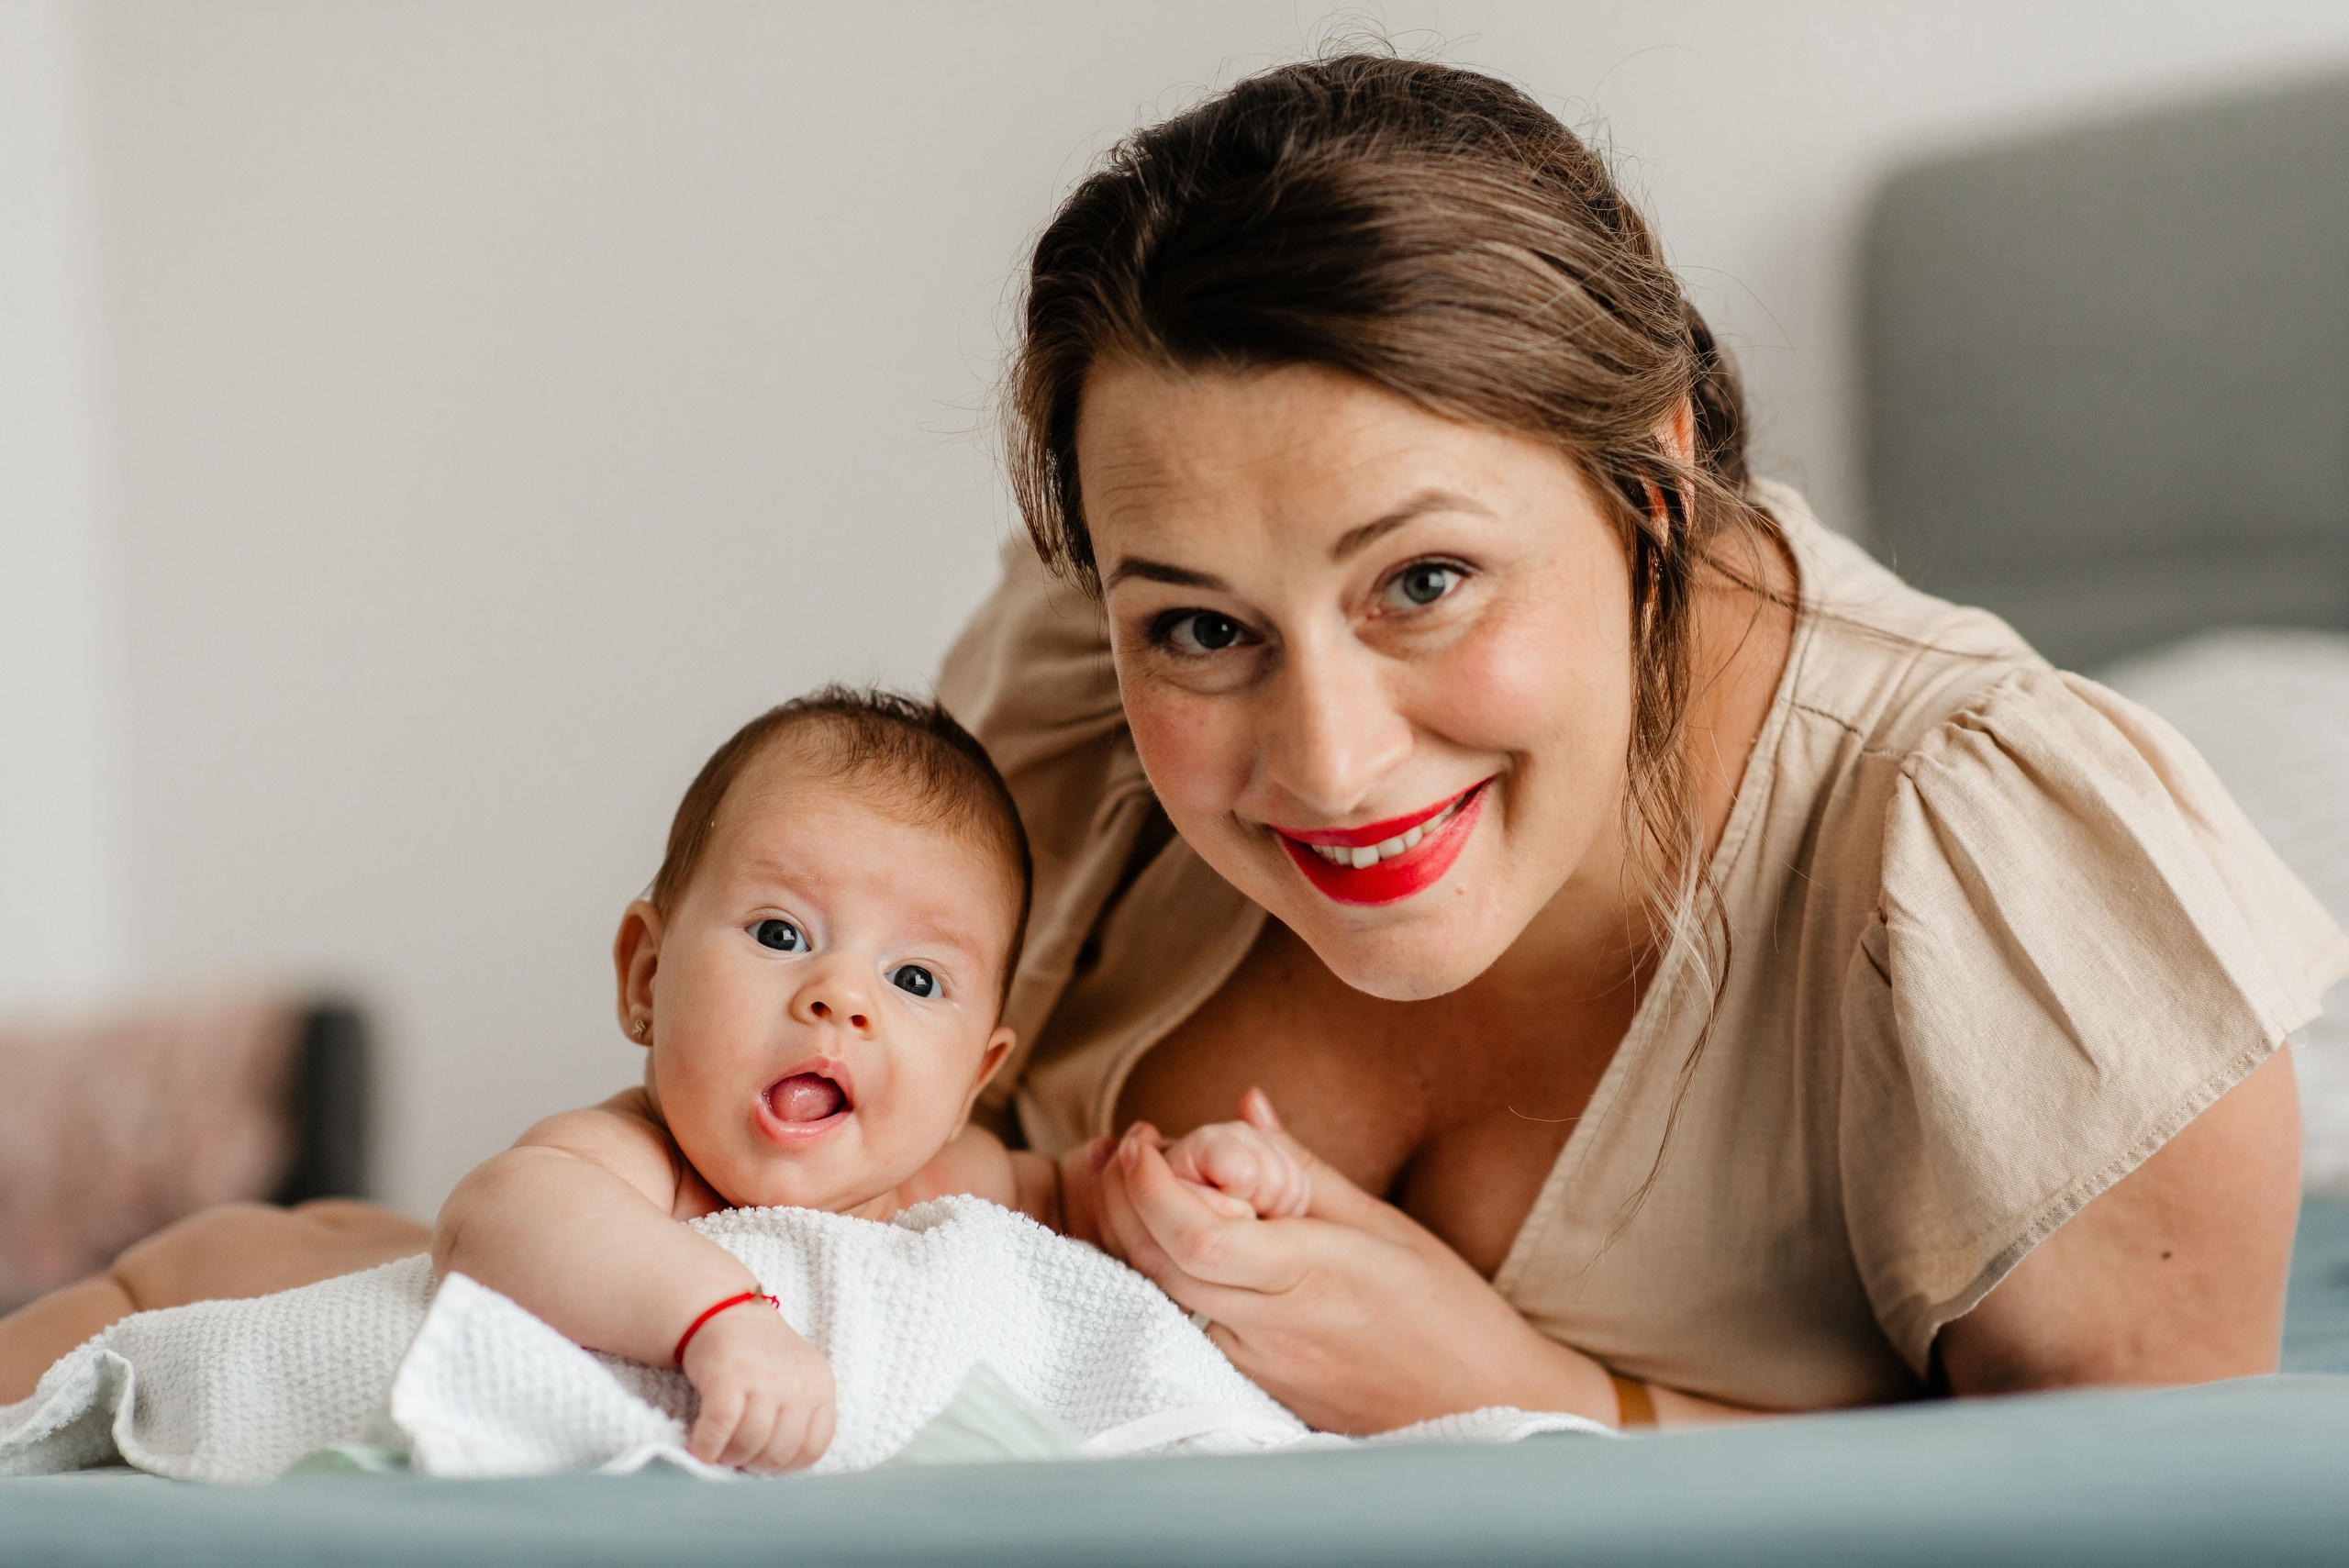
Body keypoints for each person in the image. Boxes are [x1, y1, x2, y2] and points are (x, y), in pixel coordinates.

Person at [932, 52, 2349, 1432]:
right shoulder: (1084, 656)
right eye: (1203, 632)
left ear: (1653, 485)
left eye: (1424, 582)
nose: (1331, 762)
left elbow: (2142, 1528)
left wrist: (1539, 1400)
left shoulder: (2015, 868)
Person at [0, 689, 1311, 1469]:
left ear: (978, 1073)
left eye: (915, 980)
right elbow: (497, 1221)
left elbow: (1090, 1205)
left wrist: (1203, 1174)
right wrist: (718, 1319)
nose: (840, 995)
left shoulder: (952, 1174)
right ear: (643, 973)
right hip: (241, 1267)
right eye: (783, 932)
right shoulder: (630, 1156)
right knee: (71, 1346)